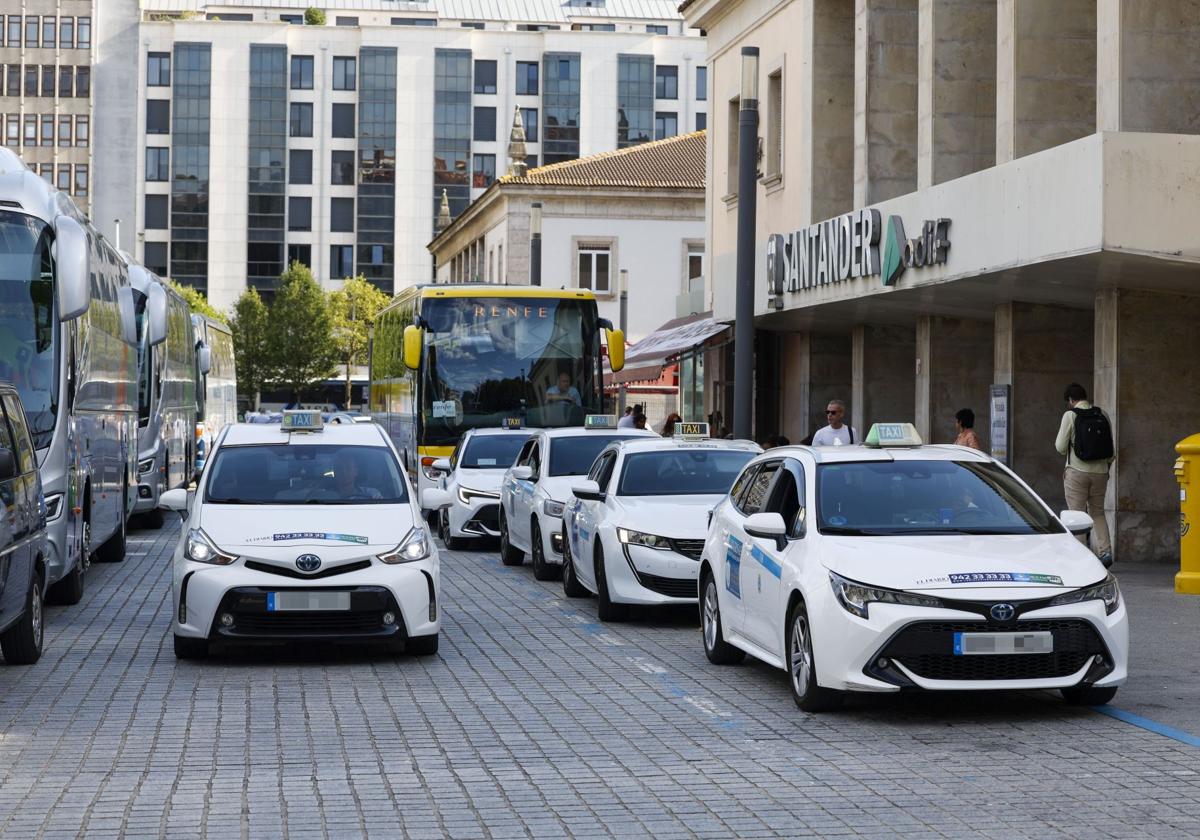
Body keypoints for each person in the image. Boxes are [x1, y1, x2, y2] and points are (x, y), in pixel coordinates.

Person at [1055, 383, 1114, 565]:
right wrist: (1105, 469)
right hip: (1100, 473)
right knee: (1098, 512)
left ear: (1071, 400)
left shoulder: (1070, 415)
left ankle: (1081, 556)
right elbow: (1110, 451)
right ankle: (1105, 552)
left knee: (1076, 515)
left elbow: (1060, 447)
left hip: (1077, 473)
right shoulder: (1102, 415)